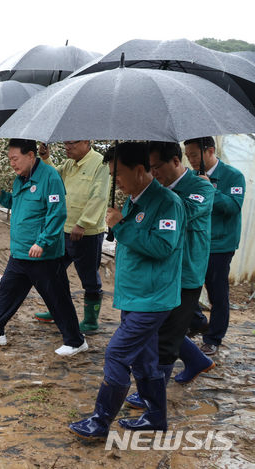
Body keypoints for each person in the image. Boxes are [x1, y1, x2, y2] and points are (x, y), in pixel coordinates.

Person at [69, 142, 185, 439]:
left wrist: (122, 225)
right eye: (112, 174)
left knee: (117, 354)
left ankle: (100, 420)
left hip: (153, 298)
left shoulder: (167, 203)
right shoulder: (134, 199)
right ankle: (156, 416)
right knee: (143, 359)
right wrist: (122, 221)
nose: (115, 180)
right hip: (134, 296)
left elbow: (162, 247)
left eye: (118, 173)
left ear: (139, 169)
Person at [121, 141, 216, 424]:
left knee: (166, 338)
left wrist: (152, 194)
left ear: (176, 161)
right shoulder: (157, 192)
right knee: (159, 328)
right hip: (162, 271)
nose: (153, 173)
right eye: (148, 168)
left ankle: (153, 399)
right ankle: (197, 360)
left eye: (156, 167)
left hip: (186, 273)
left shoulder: (201, 188)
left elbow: (180, 212)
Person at [0, 138, 87, 357]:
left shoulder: (50, 177)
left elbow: (57, 212)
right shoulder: (20, 179)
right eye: (9, 159)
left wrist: (42, 242)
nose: (12, 163)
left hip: (43, 255)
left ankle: (75, 341)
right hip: (20, 251)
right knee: (7, 291)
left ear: (31, 156)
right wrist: (1, 196)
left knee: (57, 298)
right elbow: (19, 205)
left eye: (15, 159)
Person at [36, 141, 109, 332]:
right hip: (64, 228)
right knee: (55, 270)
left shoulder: (99, 163)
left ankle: (91, 321)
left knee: (89, 276)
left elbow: (99, 196)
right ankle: (58, 310)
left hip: (86, 232)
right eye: (66, 143)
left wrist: (84, 223)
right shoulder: (69, 164)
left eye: (72, 143)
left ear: (87, 142)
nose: (68, 147)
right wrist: (45, 158)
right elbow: (54, 177)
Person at [183, 137, 245, 356]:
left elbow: (233, 207)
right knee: (186, 287)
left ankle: (213, 338)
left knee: (217, 292)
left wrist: (209, 189)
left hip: (220, 245)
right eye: (187, 155)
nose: (190, 160)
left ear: (210, 150)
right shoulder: (190, 176)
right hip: (194, 242)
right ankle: (198, 322)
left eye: (193, 155)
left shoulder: (233, 176)